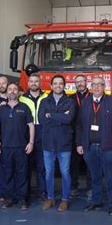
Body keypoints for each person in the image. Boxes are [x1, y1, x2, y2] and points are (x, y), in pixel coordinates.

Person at [76, 76, 112, 215]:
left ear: (104, 87)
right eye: (94, 84)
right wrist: (79, 143)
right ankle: (96, 202)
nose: (97, 87)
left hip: (108, 147)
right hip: (89, 147)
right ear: (91, 86)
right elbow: (79, 125)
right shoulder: (85, 103)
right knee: (94, 176)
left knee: (110, 176)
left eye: (100, 84)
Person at [0, 83, 35, 211]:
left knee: (22, 173)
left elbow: (31, 126)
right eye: (10, 89)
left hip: (22, 147)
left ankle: (22, 199)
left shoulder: (25, 107)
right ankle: (9, 198)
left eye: (15, 89)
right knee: (8, 173)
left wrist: (31, 142)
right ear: (7, 91)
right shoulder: (1, 109)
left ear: (18, 92)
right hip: (6, 147)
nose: (12, 91)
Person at [38, 75, 76, 212]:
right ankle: (50, 198)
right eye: (55, 83)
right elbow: (42, 119)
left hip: (64, 142)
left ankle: (65, 200)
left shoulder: (70, 101)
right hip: (48, 142)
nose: (58, 86)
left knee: (65, 172)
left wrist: (51, 115)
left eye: (61, 83)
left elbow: (69, 118)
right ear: (51, 86)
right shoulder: (44, 101)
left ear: (64, 85)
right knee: (48, 172)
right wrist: (60, 116)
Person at [19, 73, 47, 201]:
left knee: (42, 166)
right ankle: (26, 192)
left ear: (40, 83)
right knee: (26, 165)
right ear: (28, 83)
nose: (34, 83)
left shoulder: (47, 97)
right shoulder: (21, 98)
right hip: (26, 133)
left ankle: (42, 192)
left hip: (43, 132)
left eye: (36, 81)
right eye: (31, 81)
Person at [69, 74, 92, 198]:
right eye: (77, 82)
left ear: (86, 82)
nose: (80, 84)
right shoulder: (70, 98)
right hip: (74, 134)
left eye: (82, 81)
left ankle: (90, 188)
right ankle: (73, 186)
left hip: (90, 134)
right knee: (74, 163)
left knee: (90, 163)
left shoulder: (93, 97)